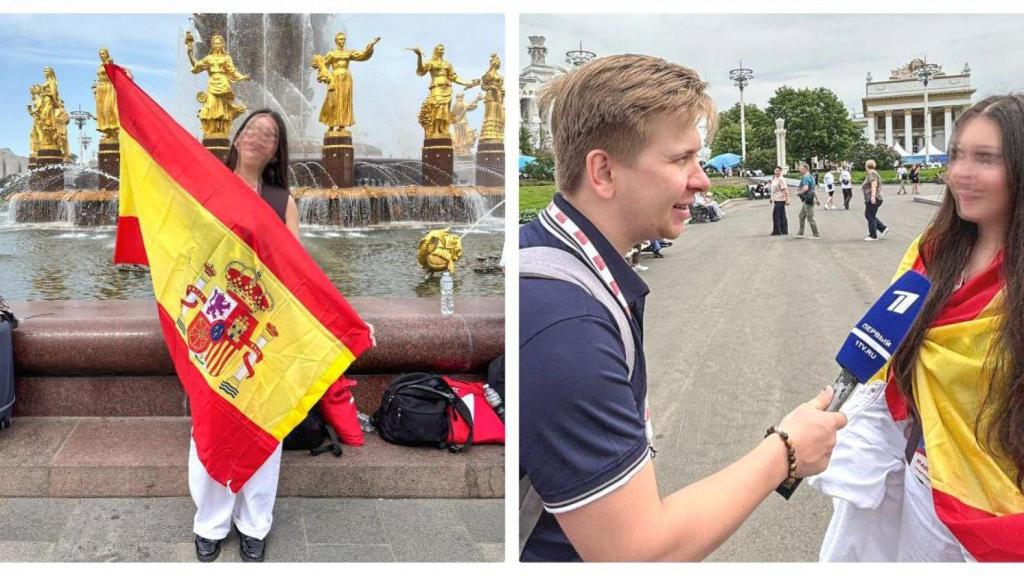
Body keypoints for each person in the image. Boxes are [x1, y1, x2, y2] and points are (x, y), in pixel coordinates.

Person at [519, 54, 846, 562]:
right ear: (603, 171)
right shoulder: (568, 326)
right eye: (680, 160)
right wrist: (785, 452)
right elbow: (639, 553)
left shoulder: (558, 265)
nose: (703, 180)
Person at [809, 94, 1024, 562]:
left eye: (984, 158)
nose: (960, 174)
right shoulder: (932, 251)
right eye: (956, 156)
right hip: (925, 478)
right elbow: (891, 354)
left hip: (1005, 505)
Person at [191, 109, 297, 563]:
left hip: (263, 326)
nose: (257, 137)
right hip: (213, 319)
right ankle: (210, 521)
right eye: (251, 129)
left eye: (268, 134)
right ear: (236, 139)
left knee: (262, 421)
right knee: (211, 420)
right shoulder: (208, 185)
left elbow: (298, 270)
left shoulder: (281, 200)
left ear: (276, 150)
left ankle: (255, 523)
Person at [311, 32, 380, 134]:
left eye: (343, 39)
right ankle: (331, 124)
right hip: (335, 79)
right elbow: (323, 65)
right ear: (336, 41)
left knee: (344, 101)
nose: (342, 41)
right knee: (332, 101)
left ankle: (341, 125)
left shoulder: (348, 53)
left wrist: (371, 45)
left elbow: (362, 55)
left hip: (346, 79)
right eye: (340, 39)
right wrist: (324, 73)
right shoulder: (332, 54)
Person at [185, 33, 249, 138]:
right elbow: (196, 66)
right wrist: (189, 53)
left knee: (223, 109)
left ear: (222, 45)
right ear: (212, 45)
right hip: (212, 83)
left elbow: (232, 71)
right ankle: (210, 132)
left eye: (219, 43)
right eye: (215, 43)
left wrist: (242, 77)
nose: (217, 45)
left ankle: (222, 133)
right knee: (209, 107)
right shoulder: (209, 58)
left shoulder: (227, 58)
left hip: (223, 84)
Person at [861, 159, 889, 242]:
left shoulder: (871, 173)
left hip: (874, 197)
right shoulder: (873, 172)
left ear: (867, 166)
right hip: (874, 197)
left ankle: (873, 235)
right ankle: (883, 228)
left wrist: (873, 196)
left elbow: (874, 184)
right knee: (869, 215)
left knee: (870, 215)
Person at [796, 162, 820, 239]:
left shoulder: (805, 177)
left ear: (805, 169)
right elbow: (814, 189)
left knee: (810, 217)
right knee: (801, 215)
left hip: (807, 199)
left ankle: (816, 235)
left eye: (801, 169)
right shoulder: (811, 176)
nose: (800, 170)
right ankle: (801, 233)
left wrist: (799, 193)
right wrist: (817, 199)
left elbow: (805, 188)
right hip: (810, 198)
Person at [769, 165, 789, 235]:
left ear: (781, 172)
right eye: (776, 171)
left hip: (781, 199)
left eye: (779, 171)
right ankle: (784, 231)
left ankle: (777, 231)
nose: (777, 172)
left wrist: (787, 200)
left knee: (776, 215)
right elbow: (773, 189)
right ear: (774, 171)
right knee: (782, 215)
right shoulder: (774, 178)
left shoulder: (781, 179)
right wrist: (771, 198)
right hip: (776, 199)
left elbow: (785, 190)